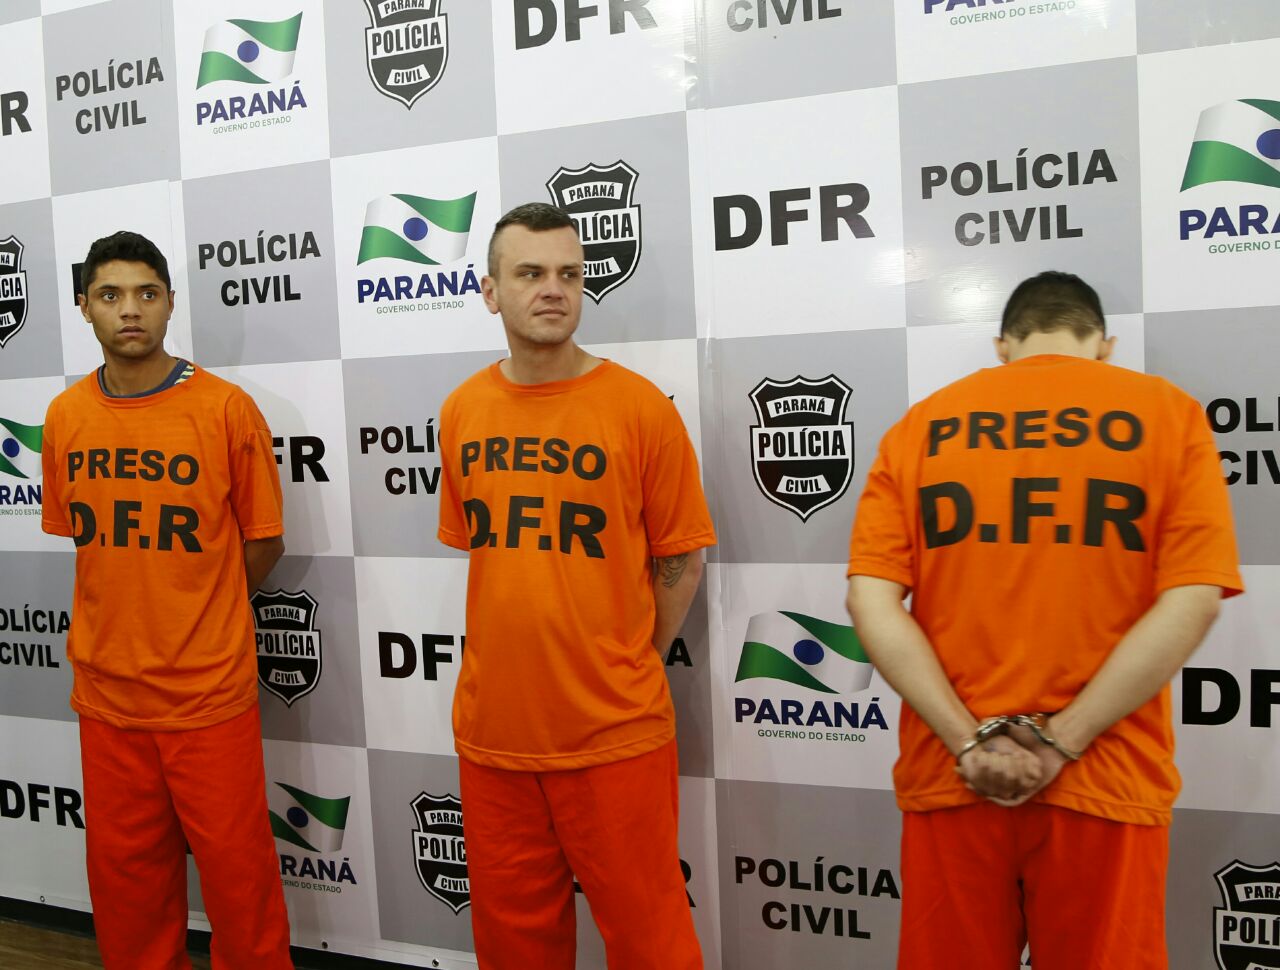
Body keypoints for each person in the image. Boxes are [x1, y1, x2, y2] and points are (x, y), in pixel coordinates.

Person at [845, 271, 1242, 970]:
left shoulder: (923, 425)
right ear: (1104, 343)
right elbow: (1193, 599)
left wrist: (970, 743)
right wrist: (1061, 742)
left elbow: (869, 603)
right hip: (1105, 776)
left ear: (1004, 344)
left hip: (955, 775)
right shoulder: (1168, 415)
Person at [436, 203, 714, 969]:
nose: (553, 289)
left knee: (652, 942)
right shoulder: (461, 410)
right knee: (513, 946)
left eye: (569, 274)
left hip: (613, 732)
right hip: (495, 733)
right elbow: (488, 556)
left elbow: (681, 560)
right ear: (490, 291)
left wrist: (630, 657)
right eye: (530, 273)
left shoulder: (639, 408)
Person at [41, 231, 293, 969]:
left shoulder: (224, 409)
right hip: (108, 699)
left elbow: (263, 543)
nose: (130, 310)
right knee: (128, 888)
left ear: (170, 304)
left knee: (240, 885)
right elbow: (86, 543)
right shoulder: (64, 416)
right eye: (111, 294)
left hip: (206, 696)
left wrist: (200, 611)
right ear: (84, 305)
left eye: (146, 294)